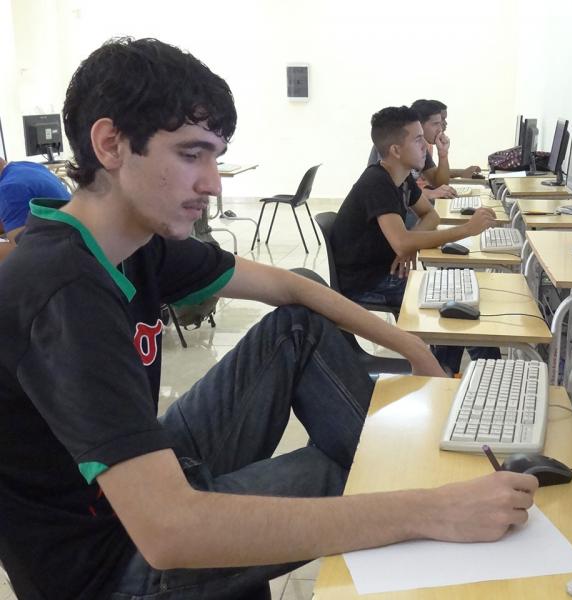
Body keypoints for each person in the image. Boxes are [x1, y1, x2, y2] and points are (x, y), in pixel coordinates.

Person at [0, 38, 538, 599]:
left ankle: (426, 484)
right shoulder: (60, 291)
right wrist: (426, 511)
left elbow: (289, 284)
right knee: (352, 481)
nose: (212, 183)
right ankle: (438, 500)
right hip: (109, 567)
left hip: (144, 483)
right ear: (111, 144)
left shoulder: (134, 243)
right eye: (191, 155)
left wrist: (414, 347)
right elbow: (169, 533)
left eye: (215, 156)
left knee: (297, 325)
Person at [331, 106, 502, 373]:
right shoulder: (377, 182)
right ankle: (449, 373)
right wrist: (467, 229)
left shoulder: (401, 179)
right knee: (453, 303)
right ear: (396, 150)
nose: (426, 146)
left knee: (458, 297)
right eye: (418, 139)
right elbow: (402, 241)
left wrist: (408, 244)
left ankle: (456, 371)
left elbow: (430, 216)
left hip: (388, 272)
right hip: (365, 283)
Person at [0, 156, 70, 261]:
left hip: (61, 258)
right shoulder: (26, 167)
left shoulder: (9, 188)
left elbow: (23, 252)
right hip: (74, 243)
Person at [428, 99, 483, 178]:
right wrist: (461, 173)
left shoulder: (429, 144)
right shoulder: (424, 144)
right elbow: (434, 175)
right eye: (442, 119)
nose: (445, 123)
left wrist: (463, 172)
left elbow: (434, 172)